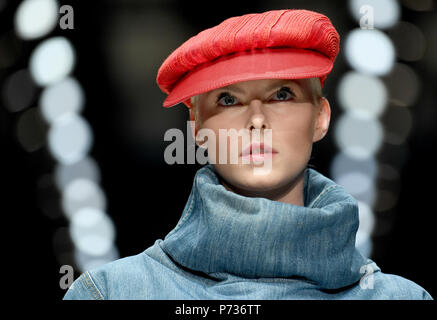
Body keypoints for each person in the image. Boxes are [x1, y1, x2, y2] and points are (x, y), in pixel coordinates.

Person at [63, 9, 432, 300]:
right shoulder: (112, 293)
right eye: (228, 99)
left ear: (320, 118)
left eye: (282, 94)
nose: (256, 119)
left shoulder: (401, 297)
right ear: (197, 130)